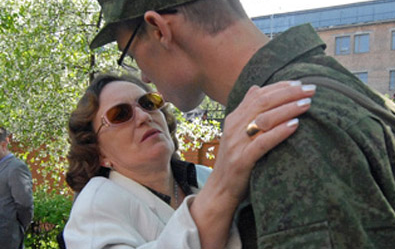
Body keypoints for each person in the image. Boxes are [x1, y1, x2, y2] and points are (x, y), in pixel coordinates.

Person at [88, 0, 395, 248]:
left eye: (129, 51)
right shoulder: (323, 85)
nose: (143, 76)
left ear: (159, 29)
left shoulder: (282, 129)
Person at [63, 73, 315, 248]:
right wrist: (224, 184)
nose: (143, 116)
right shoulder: (96, 204)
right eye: (120, 114)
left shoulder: (204, 177)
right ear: (99, 153)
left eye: (148, 103)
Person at [0, 126, 34, 249]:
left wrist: (18, 227)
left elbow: (25, 205)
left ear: (4, 145)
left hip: (6, 239)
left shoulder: (16, 168)